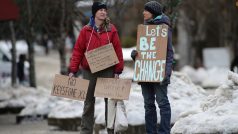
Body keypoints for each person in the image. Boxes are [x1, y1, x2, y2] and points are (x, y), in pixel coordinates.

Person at [69, 2, 124, 134]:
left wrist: (118, 70)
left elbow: (117, 50)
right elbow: (77, 51)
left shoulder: (111, 29)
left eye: (105, 10)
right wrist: (73, 70)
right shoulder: (85, 30)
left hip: (107, 69)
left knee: (109, 102)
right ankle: (86, 131)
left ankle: (110, 130)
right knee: (88, 103)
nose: (103, 12)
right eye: (100, 10)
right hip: (89, 70)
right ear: (94, 13)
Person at [131, 1, 174, 134]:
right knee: (148, 105)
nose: (143, 12)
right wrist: (136, 55)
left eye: (146, 11)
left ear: (153, 13)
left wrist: (166, 73)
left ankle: (164, 132)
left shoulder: (163, 28)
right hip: (146, 73)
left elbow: (169, 52)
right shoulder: (144, 28)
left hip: (159, 73)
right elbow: (145, 51)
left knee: (162, 103)